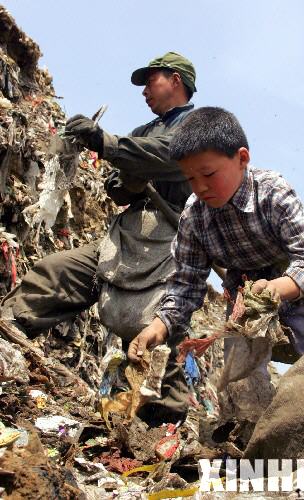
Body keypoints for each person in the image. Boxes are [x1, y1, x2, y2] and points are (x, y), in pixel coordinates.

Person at [1, 51, 197, 424]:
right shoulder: (142, 132)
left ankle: (161, 424)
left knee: (157, 329)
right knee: (57, 272)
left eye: (149, 82)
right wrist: (121, 184)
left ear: (176, 80)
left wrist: (106, 143)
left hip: (174, 239)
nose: (143, 92)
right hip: (129, 233)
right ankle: (9, 330)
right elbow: (125, 188)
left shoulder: (198, 125)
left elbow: (170, 156)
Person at [128, 106, 304, 363]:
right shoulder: (194, 217)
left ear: (242, 159)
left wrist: (275, 288)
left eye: (209, 174)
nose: (200, 187)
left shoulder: (272, 192)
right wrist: (158, 326)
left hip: (297, 292)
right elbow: (186, 286)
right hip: (243, 303)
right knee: (239, 384)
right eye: (190, 178)